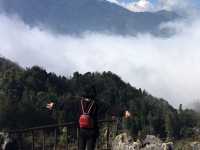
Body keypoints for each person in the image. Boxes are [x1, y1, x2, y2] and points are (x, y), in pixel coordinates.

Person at [47, 85, 99, 150]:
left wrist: (54, 105)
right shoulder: (96, 104)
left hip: (81, 131)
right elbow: (108, 109)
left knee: (81, 147)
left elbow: (66, 105)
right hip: (92, 131)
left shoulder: (78, 102)